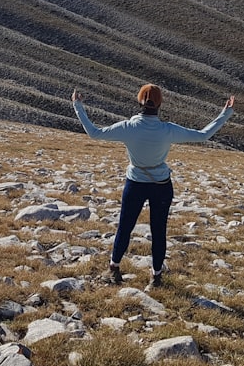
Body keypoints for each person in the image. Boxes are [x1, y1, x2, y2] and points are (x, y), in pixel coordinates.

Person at [71, 84, 235, 289]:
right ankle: (156, 277)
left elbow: (94, 133)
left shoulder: (128, 128)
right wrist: (226, 112)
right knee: (159, 231)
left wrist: (78, 106)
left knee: (125, 227)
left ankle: (114, 269)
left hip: (135, 183)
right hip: (161, 185)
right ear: (160, 104)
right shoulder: (168, 130)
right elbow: (203, 135)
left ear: (139, 101)